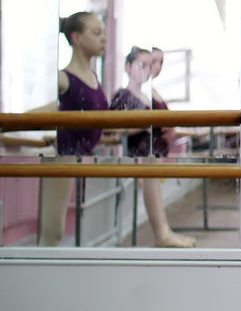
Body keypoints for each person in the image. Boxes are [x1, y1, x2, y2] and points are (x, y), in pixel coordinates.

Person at [109, 46, 196, 248]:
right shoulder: (123, 95)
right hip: (140, 156)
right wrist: (142, 125)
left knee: (155, 185)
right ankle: (162, 233)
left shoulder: (146, 96)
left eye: (150, 65)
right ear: (129, 67)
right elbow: (113, 129)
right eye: (143, 65)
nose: (148, 70)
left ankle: (164, 232)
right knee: (151, 183)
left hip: (152, 154)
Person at [39, 12, 109, 246]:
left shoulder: (93, 77)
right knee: (54, 230)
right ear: (76, 37)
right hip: (64, 158)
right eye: (96, 33)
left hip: (84, 158)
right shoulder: (63, 79)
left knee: (80, 227)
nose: (104, 39)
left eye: (104, 33)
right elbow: (47, 108)